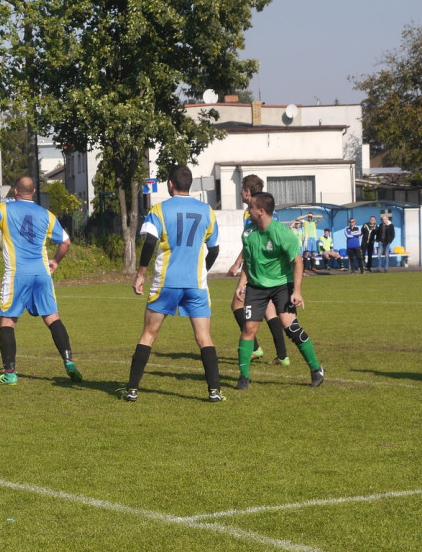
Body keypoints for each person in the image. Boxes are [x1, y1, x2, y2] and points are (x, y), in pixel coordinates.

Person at [122, 165, 224, 402]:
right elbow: (214, 248)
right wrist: (203, 271)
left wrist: (141, 274)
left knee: (149, 334)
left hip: (167, 283)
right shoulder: (207, 211)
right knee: (204, 338)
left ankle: (132, 389)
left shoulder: (159, 209)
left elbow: (149, 243)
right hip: (195, 285)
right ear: (190, 185)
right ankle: (214, 391)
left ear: (170, 184)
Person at [0, 175, 83, 385]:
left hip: (17, 273)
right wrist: (55, 260)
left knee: (8, 321)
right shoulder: (46, 214)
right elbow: (66, 241)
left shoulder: (5, 208)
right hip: (41, 274)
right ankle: (69, 362)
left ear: (15, 192)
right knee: (52, 318)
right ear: (34, 192)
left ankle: (10, 373)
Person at [236, 192, 324, 390]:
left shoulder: (283, 234)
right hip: (257, 288)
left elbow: (298, 262)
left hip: (282, 286)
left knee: (290, 327)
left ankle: (316, 369)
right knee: (249, 329)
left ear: (261, 211)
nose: (247, 210)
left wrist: (297, 291)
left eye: (250, 207)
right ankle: (243, 377)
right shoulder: (248, 234)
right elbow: (248, 263)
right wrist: (242, 284)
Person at [227, 174, 289, 366]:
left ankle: (254, 348)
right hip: (274, 270)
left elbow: (251, 243)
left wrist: (238, 263)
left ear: (247, 191)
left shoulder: (252, 213)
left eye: (241, 189)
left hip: (259, 270)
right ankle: (282, 355)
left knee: (237, 305)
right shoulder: (269, 210)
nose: (240, 193)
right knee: (270, 311)